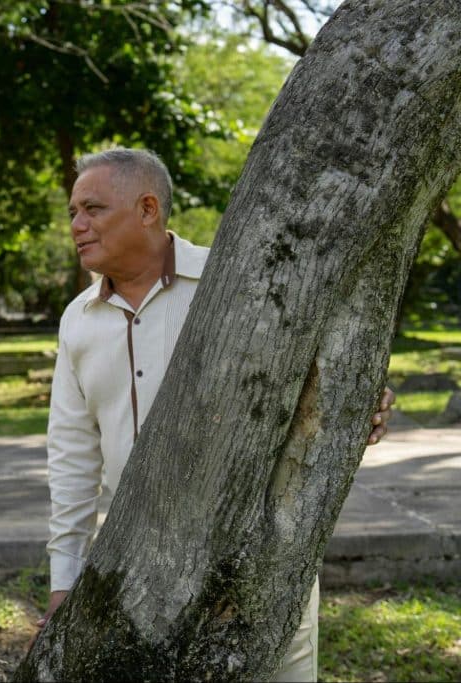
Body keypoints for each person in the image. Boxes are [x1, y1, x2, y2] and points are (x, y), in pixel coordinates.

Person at [37, 147, 395, 681]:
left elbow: (315, 373)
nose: (77, 225)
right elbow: (72, 456)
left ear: (148, 208)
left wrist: (358, 401)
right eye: (73, 212)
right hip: (136, 567)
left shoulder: (238, 280)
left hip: (257, 557)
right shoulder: (77, 320)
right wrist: (64, 579)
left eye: (93, 209)